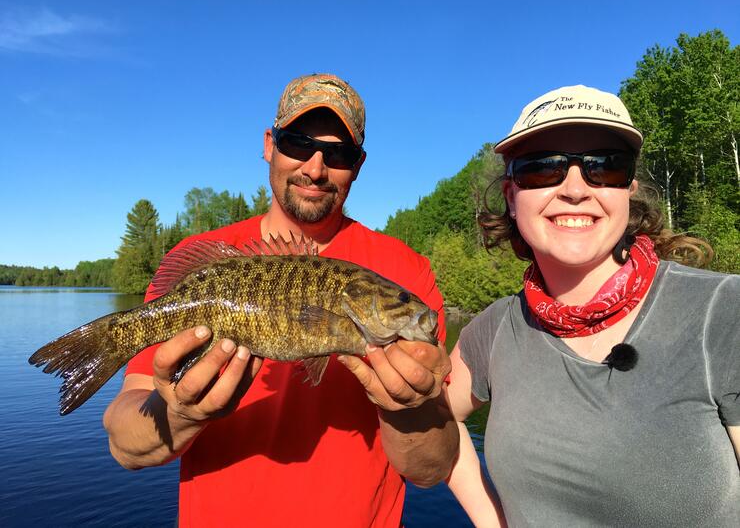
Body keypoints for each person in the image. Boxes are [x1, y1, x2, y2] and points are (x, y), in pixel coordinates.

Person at [103, 73, 458, 528]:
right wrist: (180, 412)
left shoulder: (408, 270)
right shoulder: (203, 260)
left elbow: (430, 470)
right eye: (297, 143)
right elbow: (124, 446)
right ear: (270, 144)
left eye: (339, 154)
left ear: (359, 164)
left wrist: (413, 407)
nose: (314, 168)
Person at [446, 85, 740, 527]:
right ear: (510, 196)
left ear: (629, 190)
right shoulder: (494, 330)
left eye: (604, 167)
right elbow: (437, 420)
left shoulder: (722, 311)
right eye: (543, 169)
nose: (576, 189)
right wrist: (492, 521)